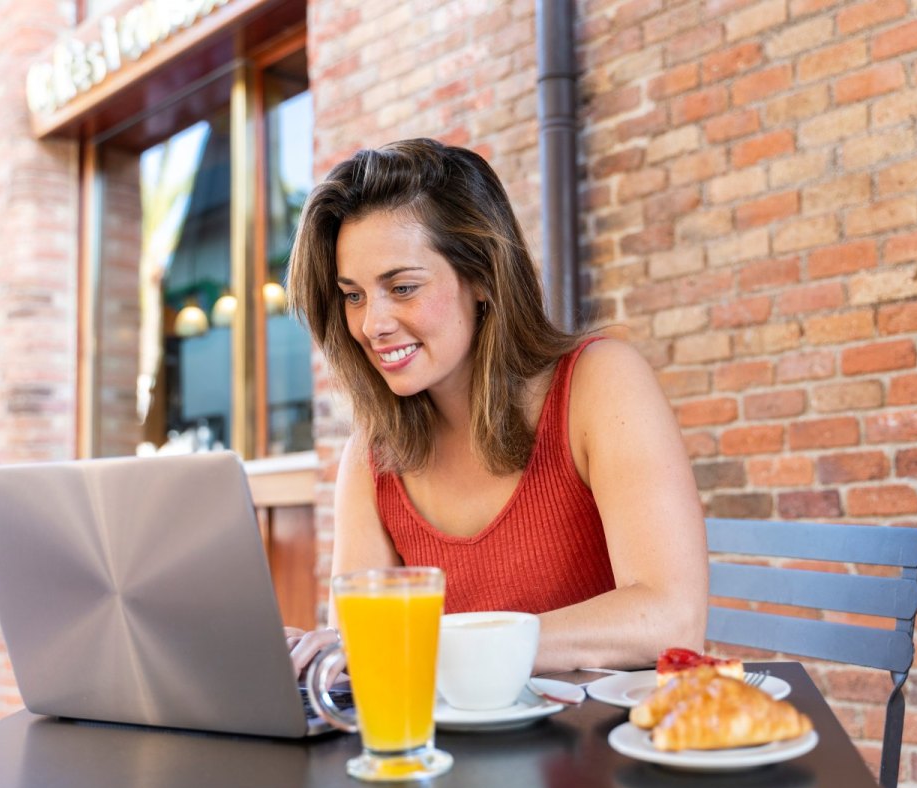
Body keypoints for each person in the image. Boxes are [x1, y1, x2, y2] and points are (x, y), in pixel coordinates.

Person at [284, 138, 707, 677]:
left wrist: (428, 644)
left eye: (403, 287)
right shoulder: (372, 455)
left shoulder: (601, 382)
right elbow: (365, 651)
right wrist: (317, 655)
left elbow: (671, 618)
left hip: (604, 749)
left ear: (481, 277)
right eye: (354, 295)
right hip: (449, 759)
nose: (373, 324)